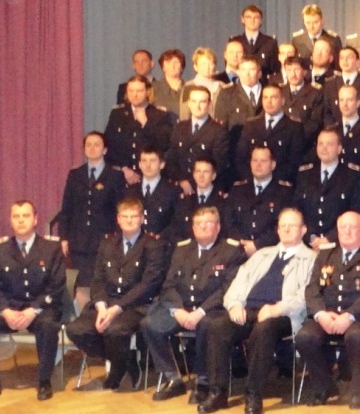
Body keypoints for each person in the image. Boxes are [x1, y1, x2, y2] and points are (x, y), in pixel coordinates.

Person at [197, 208, 317, 414]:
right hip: (247, 309)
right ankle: (217, 393)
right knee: (217, 326)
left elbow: (308, 296)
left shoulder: (312, 258)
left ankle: (253, 394)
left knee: (264, 329)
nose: (287, 229)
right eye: (282, 225)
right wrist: (234, 304)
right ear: (277, 230)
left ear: (304, 230)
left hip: (283, 315)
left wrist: (277, 308)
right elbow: (238, 282)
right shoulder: (262, 254)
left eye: (293, 225)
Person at [140, 207, 245, 403]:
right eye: (198, 223)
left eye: (208, 223)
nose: (203, 227)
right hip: (182, 309)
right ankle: (173, 378)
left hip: (213, 310)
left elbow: (226, 289)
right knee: (150, 324)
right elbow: (169, 284)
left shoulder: (231, 250)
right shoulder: (182, 249)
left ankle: (203, 381)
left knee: (208, 325)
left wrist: (201, 312)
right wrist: (176, 310)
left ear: (218, 227)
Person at [66, 198, 169, 392]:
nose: (129, 220)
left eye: (134, 216)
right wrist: (102, 306)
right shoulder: (107, 244)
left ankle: (115, 376)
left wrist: (116, 308)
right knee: (76, 330)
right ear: (118, 219)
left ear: (142, 219)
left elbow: (149, 284)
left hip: (135, 306)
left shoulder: (153, 245)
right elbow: (98, 280)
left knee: (115, 329)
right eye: (125, 216)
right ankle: (127, 360)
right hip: (106, 304)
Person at [295, 211, 360, 408]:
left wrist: (349, 316)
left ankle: (358, 392)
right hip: (328, 314)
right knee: (305, 337)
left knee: (356, 336)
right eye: (342, 227)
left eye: (353, 227)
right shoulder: (326, 254)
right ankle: (324, 386)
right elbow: (312, 289)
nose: (347, 231)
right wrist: (321, 314)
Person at [0, 201, 66, 401]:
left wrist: (34, 310)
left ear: (35, 219)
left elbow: (57, 286)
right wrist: (4, 310)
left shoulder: (51, 248)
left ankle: (44, 381)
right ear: (11, 221)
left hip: (41, 309)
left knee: (48, 325)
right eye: (16, 216)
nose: (21, 220)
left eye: (26, 216)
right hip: (9, 310)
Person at [59, 131, 126, 309]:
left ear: (104, 149)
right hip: (79, 240)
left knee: (102, 285)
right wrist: (64, 237)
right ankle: (83, 326)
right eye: (88, 144)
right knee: (82, 286)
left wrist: (118, 238)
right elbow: (67, 208)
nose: (92, 148)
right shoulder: (75, 174)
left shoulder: (115, 176)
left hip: (105, 239)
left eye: (97, 144)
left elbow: (120, 210)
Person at [295, 128, 360, 242]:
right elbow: (297, 209)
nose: (324, 148)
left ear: (339, 149)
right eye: (321, 144)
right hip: (308, 242)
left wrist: (329, 238)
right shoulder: (305, 173)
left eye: (329, 144)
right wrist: (311, 237)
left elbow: (356, 212)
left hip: (340, 243)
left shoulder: (353, 176)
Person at [104, 75, 173, 183]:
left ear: (148, 92)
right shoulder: (117, 114)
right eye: (131, 91)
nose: (135, 95)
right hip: (122, 176)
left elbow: (163, 144)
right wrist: (124, 168)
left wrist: (146, 123)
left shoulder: (159, 115)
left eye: (139, 91)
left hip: (150, 176)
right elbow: (109, 145)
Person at [225, 146, 294, 254]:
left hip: (270, 251)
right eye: (255, 160)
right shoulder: (237, 190)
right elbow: (228, 222)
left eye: (263, 161)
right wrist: (243, 243)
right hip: (238, 251)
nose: (258, 165)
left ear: (273, 164)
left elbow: (283, 225)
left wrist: (258, 244)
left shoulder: (285, 192)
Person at [165, 86, 230, 193]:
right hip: (180, 188)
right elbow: (172, 158)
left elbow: (219, 163)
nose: (197, 106)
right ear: (189, 103)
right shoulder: (180, 127)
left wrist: (192, 183)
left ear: (209, 105)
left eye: (202, 102)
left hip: (205, 189)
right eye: (194, 101)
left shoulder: (218, 130)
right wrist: (182, 181)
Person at [235, 83, 305, 182]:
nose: (269, 102)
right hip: (252, 184)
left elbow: (294, 162)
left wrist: (269, 181)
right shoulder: (251, 125)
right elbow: (240, 158)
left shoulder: (294, 127)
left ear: (283, 101)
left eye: (274, 97)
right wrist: (253, 180)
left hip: (279, 185)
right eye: (265, 98)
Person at [124, 147, 180, 239]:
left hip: (162, 244)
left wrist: (160, 236)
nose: (148, 165)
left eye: (152, 161)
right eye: (144, 161)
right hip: (135, 246)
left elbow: (177, 222)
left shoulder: (173, 191)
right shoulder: (130, 190)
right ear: (139, 164)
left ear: (162, 164)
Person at [230, 4, 279, 75]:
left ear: (261, 20)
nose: (252, 20)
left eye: (256, 17)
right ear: (242, 19)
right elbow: (230, 67)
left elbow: (274, 69)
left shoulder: (270, 42)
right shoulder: (235, 41)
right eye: (248, 17)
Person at [292, 3, 342, 71]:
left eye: (315, 22)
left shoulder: (333, 40)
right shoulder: (297, 40)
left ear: (322, 21)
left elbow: (337, 66)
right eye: (308, 23)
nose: (311, 26)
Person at [151, 49, 187, 121]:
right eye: (168, 62)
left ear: (182, 67)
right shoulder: (153, 87)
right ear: (163, 67)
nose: (172, 66)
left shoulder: (190, 88)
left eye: (176, 62)